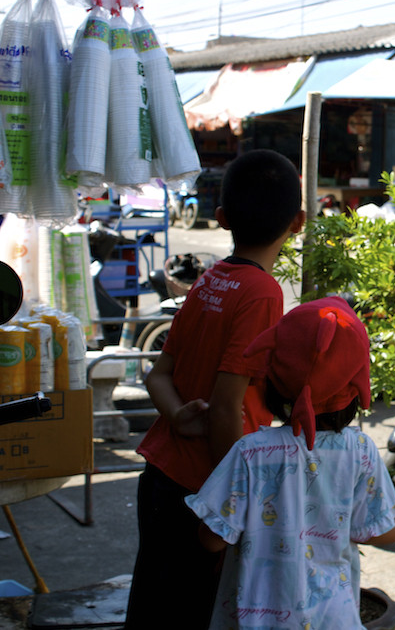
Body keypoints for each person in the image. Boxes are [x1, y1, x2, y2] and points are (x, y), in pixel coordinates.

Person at [186, 296, 395, 629]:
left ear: (272, 379)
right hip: (333, 619)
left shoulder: (250, 453)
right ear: (356, 387)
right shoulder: (361, 451)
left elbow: (211, 539)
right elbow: (368, 530)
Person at [124, 149, 306, 629]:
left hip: (162, 474)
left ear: (221, 217)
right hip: (204, 490)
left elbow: (156, 375)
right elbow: (226, 410)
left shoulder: (210, 279)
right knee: (195, 613)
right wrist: (237, 504)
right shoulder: (262, 292)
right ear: (300, 221)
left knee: (151, 609)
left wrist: (179, 415)